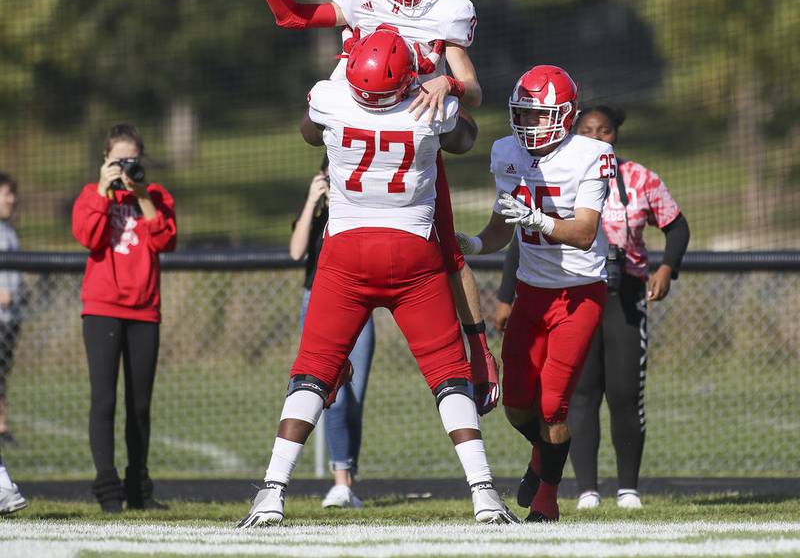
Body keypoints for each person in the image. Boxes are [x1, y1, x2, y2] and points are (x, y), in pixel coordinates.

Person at [237, 28, 515, 528]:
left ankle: (273, 491)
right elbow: (464, 138)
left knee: (313, 370)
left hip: (346, 252)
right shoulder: (430, 110)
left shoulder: (330, 99)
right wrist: (444, 86)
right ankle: (484, 494)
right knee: (447, 371)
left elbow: (308, 129)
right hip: (413, 252)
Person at [236, 0, 500, 417]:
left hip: (411, 133)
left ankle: (479, 350)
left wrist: (448, 83)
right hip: (354, 124)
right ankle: (332, 360)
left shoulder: (449, 9)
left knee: (445, 241)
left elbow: (474, 88)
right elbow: (293, 18)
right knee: (343, 245)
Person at [456, 65, 615, 522]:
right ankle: (543, 458)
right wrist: (473, 243)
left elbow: (585, 233)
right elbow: (500, 228)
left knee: (552, 405)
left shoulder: (590, 154)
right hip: (531, 292)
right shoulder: (507, 152)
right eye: (523, 115)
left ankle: (547, 498)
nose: (530, 125)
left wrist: (539, 221)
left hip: (580, 293)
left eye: (540, 115)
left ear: (566, 116)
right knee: (516, 405)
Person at [566, 105, 689, 510]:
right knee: (582, 394)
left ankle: (628, 490)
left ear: (615, 134)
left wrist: (666, 269)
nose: (596, 138)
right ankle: (586, 491)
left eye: (604, 131)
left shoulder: (640, 179)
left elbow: (677, 226)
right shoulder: (560, 174)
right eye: (587, 131)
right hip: (578, 292)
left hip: (627, 295)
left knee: (624, 393)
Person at [72, 123, 177, 513]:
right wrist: (103, 190)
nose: (125, 168)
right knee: (103, 400)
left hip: (144, 309)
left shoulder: (157, 196)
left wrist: (141, 196)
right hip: (102, 309)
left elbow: (166, 240)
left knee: (139, 404)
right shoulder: (89, 195)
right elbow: (88, 236)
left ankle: (139, 488)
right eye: (118, 161)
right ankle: (108, 488)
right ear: (104, 160)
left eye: (132, 161)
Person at [289, 156, 375, 509]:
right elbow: (296, 252)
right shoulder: (319, 213)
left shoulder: (360, 213)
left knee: (354, 398)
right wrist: (312, 201)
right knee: (332, 396)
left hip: (360, 307)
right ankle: (339, 481)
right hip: (319, 304)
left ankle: (347, 480)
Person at [0, 173, 23, 448]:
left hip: (10, 319)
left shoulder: (9, 229)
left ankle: (2, 426)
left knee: (3, 373)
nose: (11, 199)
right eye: (6, 194)